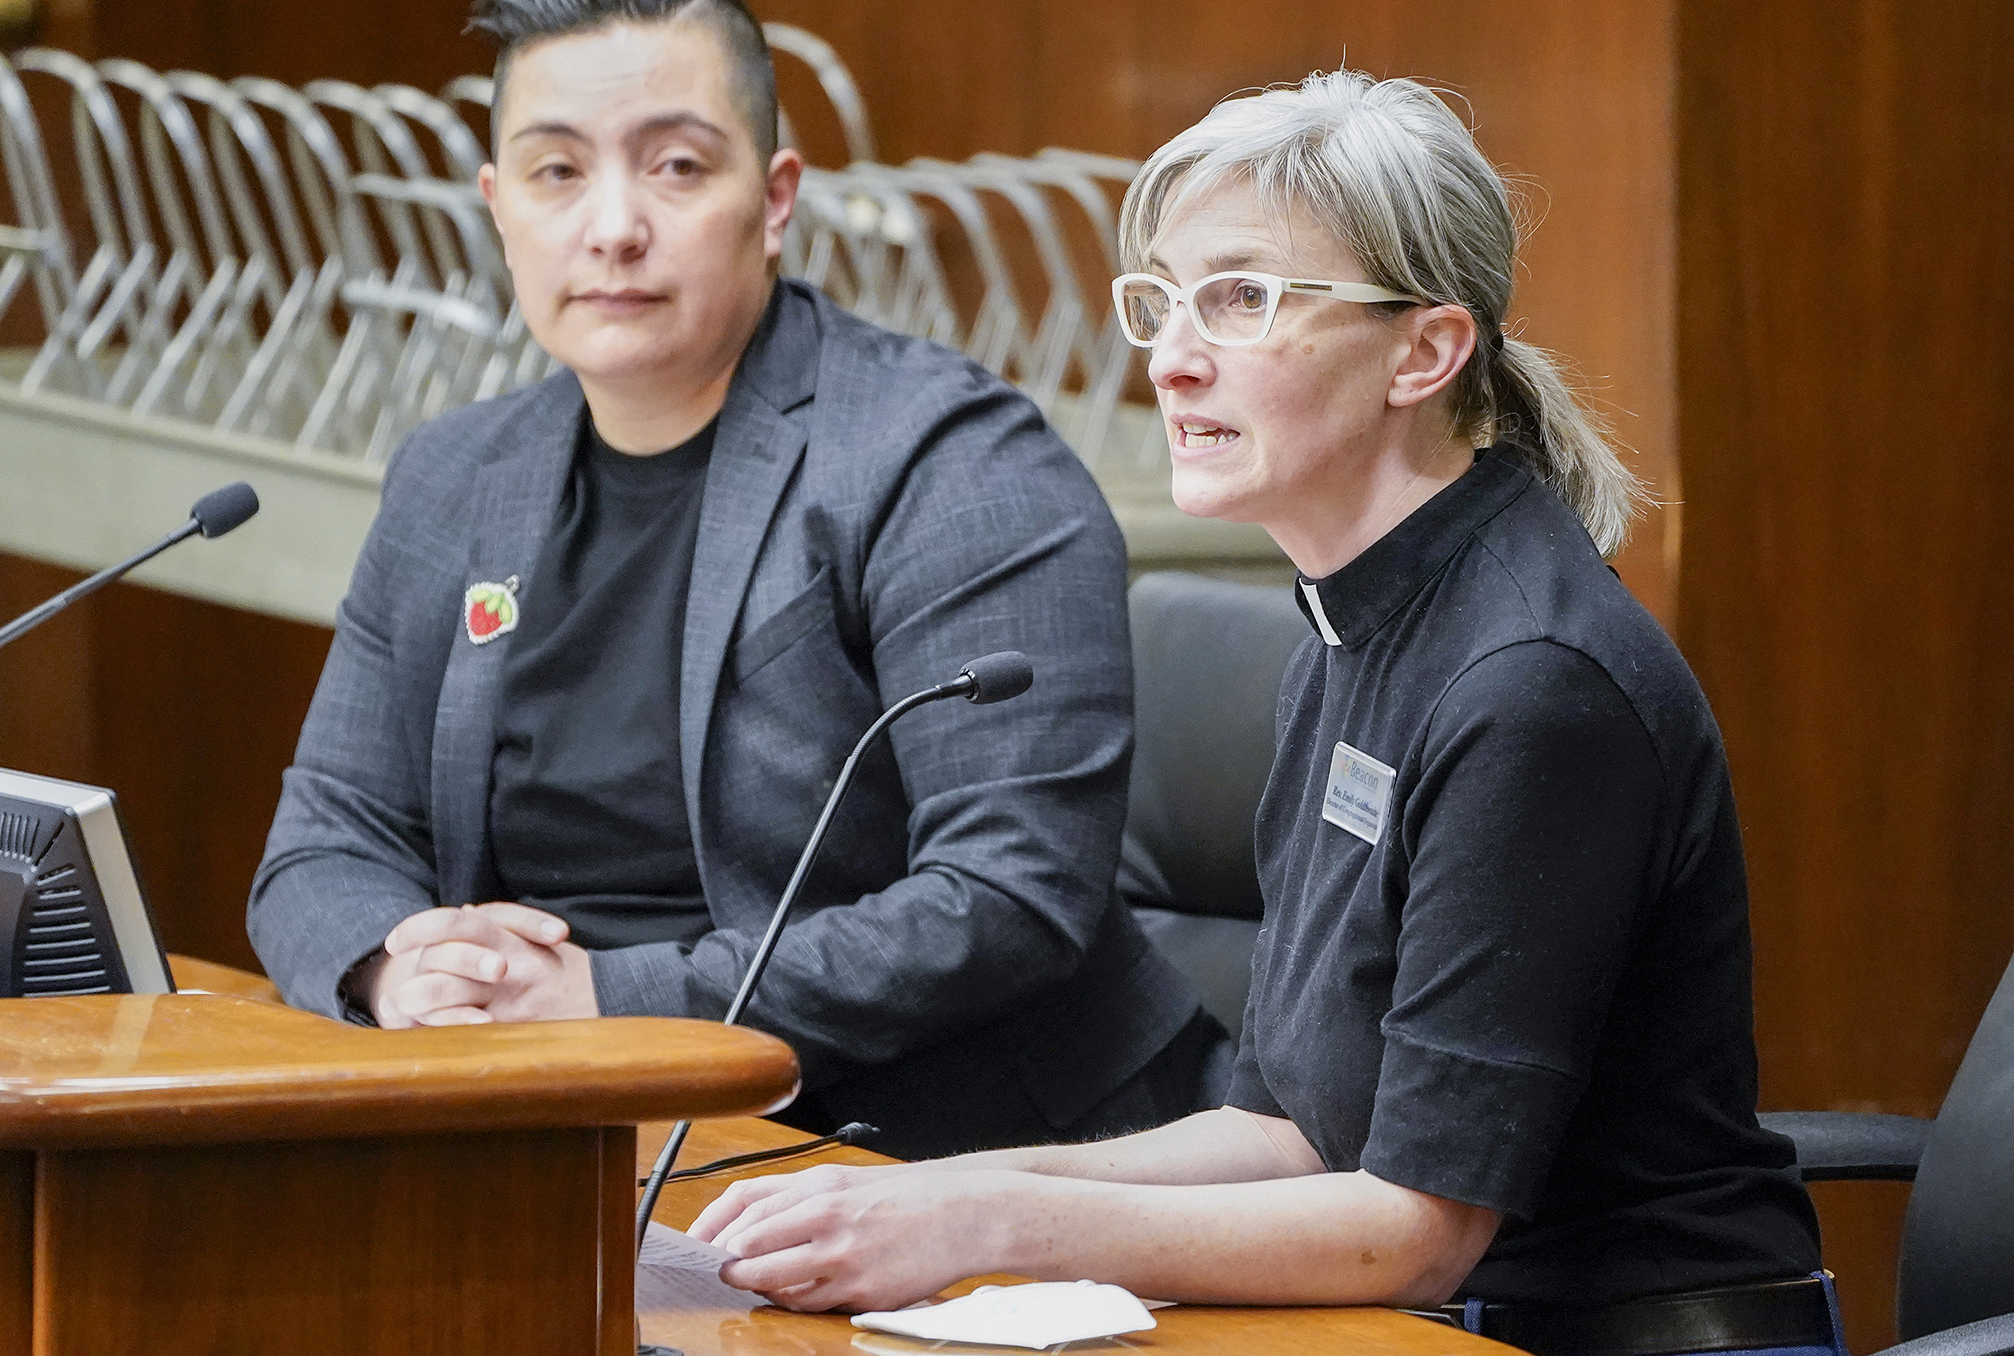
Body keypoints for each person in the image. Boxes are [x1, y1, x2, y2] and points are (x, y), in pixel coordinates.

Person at [689, 71, 1836, 1354]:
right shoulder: (1353, 628)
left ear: (1425, 350)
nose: (1172, 358)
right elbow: (1289, 1132)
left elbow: (1416, 1227)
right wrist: (934, 1192)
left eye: (1240, 299)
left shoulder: (1528, 683)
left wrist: (989, 1225)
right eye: (1162, 303)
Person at [246, 0, 1224, 1160]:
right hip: (566, 1124)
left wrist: (605, 1000)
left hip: (936, 1152)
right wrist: (400, 968)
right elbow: (324, 839)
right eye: (556, 174)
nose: (611, 227)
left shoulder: (951, 466)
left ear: (772, 202)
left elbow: (1007, 897)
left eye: (674, 167)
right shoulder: (455, 479)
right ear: (498, 210)